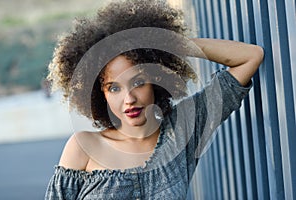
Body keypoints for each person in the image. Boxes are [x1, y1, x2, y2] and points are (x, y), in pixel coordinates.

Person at [44, 0, 264, 199]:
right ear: (99, 94)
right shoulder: (83, 147)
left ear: (156, 80)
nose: (129, 98)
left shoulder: (182, 130)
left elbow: (250, 57)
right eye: (114, 88)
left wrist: (170, 46)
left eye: (138, 83)